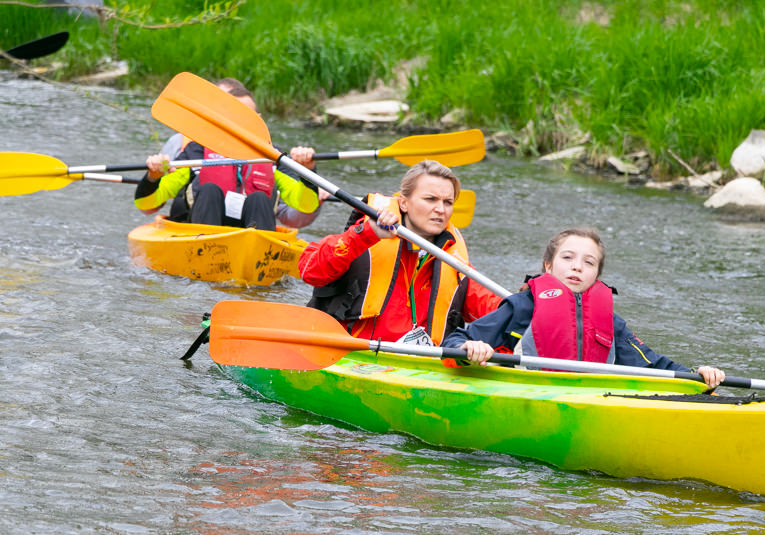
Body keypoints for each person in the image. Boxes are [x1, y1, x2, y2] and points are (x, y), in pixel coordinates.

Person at [442, 227, 726, 388]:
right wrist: (472, 349)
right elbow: (456, 340)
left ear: (596, 276)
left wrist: (697, 375)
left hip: (589, 401)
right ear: (549, 266)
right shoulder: (521, 306)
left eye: (589, 262)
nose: (577, 266)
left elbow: (653, 365)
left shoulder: (611, 322)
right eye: (568, 257)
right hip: (528, 396)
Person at [298, 160, 501, 345]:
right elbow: (310, 271)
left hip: (414, 367)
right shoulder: (362, 238)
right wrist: (365, 235)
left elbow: (497, 310)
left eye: (447, 202)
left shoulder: (454, 261)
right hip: (350, 356)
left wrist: (528, 295)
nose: (441, 209)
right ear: (403, 203)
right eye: (430, 199)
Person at [134, 78, 325, 231]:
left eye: (247, 118)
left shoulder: (273, 158)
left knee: (259, 198)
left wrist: (308, 172)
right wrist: (153, 177)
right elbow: (146, 204)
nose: (239, 126)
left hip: (252, 240)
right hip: (203, 235)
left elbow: (306, 205)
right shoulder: (197, 151)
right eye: (234, 118)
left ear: (258, 121)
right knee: (210, 191)